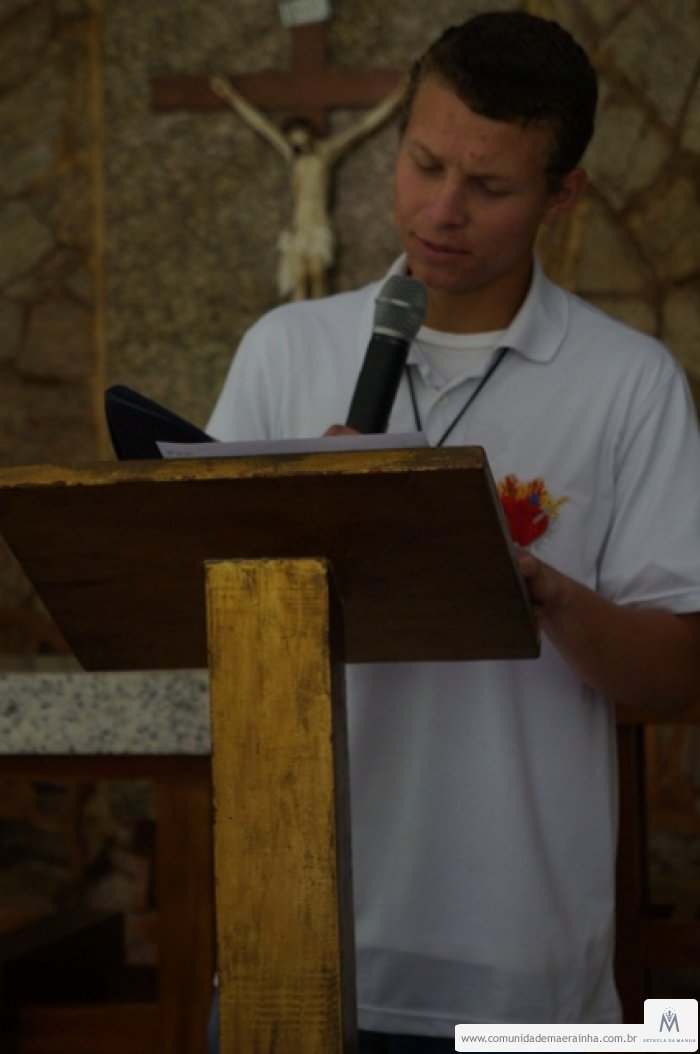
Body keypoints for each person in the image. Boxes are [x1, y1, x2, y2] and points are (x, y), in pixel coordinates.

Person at [206, 11, 700, 1052]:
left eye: (489, 186)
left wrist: (541, 590)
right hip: (295, 936)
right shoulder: (286, 349)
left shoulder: (627, 380)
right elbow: (193, 621)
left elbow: (676, 677)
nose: (440, 211)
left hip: (520, 965)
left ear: (562, 195)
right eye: (424, 164)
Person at [210, 74, 406, 300]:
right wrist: (230, 96)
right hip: (298, 227)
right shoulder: (292, 155)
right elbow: (262, 125)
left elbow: (364, 125)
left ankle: (320, 319)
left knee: (317, 275)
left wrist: (398, 95)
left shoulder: (325, 153)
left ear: (308, 132)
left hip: (318, 224)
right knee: (299, 280)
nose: (298, 143)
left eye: (300, 137)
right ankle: (297, 321)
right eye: (293, 140)